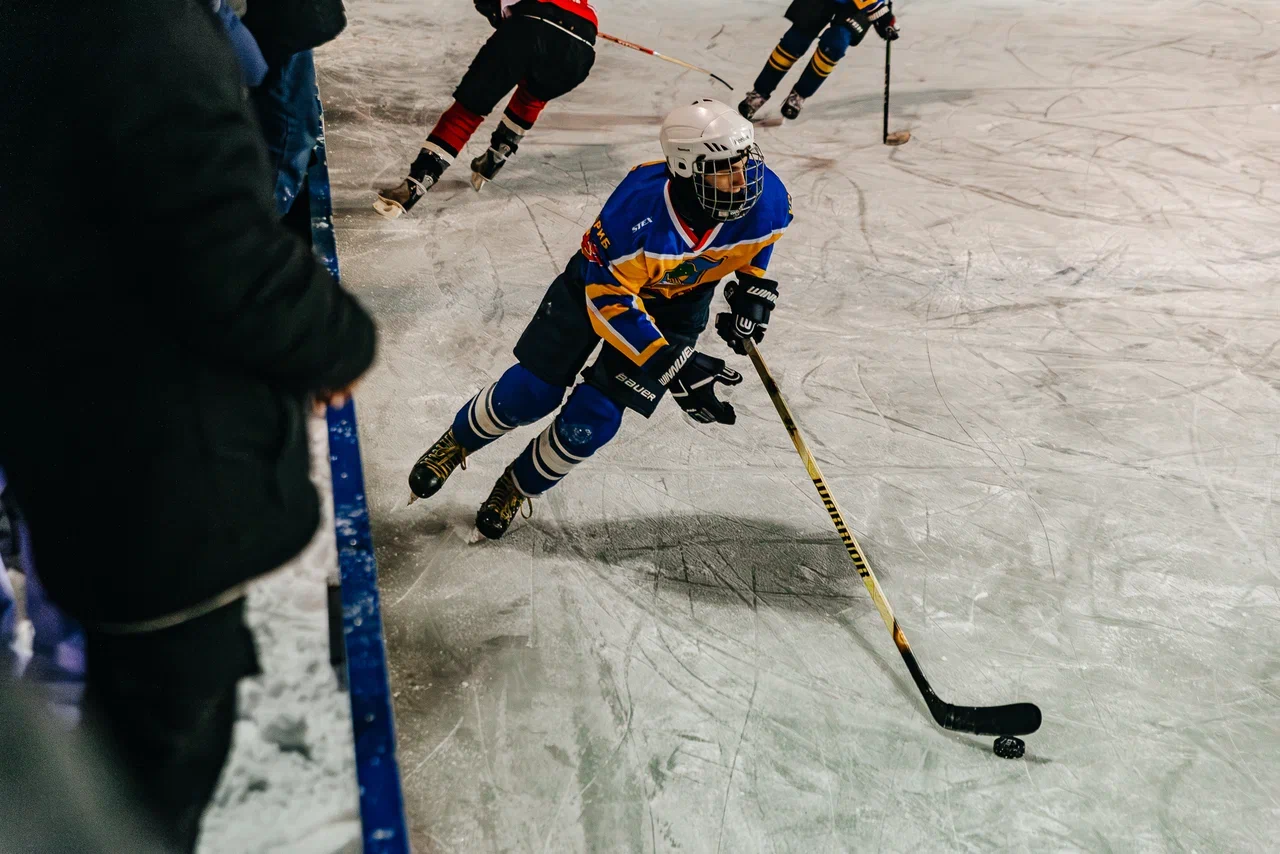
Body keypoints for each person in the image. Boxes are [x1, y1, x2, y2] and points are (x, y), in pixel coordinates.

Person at [0, 1, 376, 849]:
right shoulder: (134, 31)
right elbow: (226, 254)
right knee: (163, 742)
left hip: (87, 440)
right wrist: (339, 340)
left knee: (139, 711)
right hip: (156, 475)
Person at [405, 99, 792, 539]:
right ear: (686, 168)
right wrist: (669, 362)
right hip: (597, 287)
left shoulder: (767, 196)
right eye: (724, 168)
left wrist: (753, 286)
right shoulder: (637, 211)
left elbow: (760, 239)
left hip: (679, 307)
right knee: (532, 391)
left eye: (745, 162)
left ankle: (517, 485)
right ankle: (457, 441)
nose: (743, 180)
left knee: (594, 420)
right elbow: (609, 301)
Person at [374, 0, 599, 217]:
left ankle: (415, 184)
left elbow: (493, 8)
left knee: (468, 111)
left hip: (532, 27)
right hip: (581, 49)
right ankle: (497, 156)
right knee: (532, 97)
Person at [738, 0, 899, 121]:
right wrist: (880, 12)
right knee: (795, 40)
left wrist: (883, 17)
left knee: (835, 45)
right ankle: (759, 93)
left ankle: (799, 95)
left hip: (859, 5)